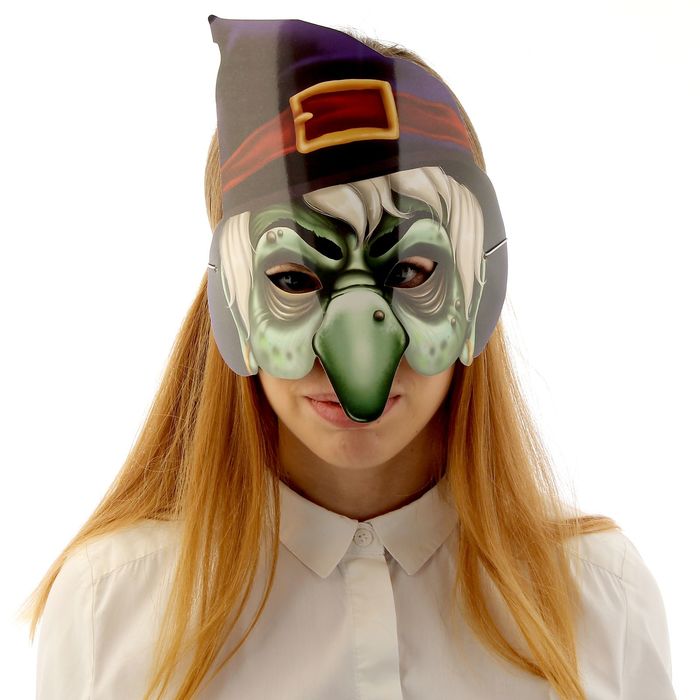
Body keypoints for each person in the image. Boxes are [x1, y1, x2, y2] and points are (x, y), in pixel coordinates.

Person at [20, 17, 676, 700]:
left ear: (478, 288)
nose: (357, 361)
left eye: (410, 273)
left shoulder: (604, 602)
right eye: (294, 279)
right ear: (229, 299)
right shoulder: (109, 610)